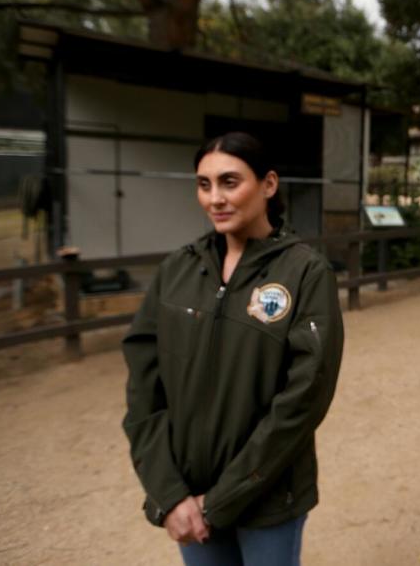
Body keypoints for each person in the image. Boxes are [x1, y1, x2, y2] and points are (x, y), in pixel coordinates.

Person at [122, 132, 344, 565]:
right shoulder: (177, 270)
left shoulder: (305, 273)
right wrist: (171, 494)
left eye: (229, 182)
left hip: (268, 498)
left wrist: (222, 499)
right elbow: (144, 394)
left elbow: (304, 398)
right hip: (187, 495)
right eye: (204, 184)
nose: (215, 198)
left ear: (268, 184)